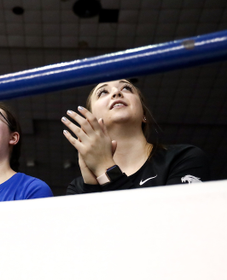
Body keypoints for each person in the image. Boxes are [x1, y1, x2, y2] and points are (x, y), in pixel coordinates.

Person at [61, 79, 210, 194]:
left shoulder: (183, 158)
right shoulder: (78, 187)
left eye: (126, 88)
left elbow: (170, 226)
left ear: (144, 114)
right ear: (91, 121)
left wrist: (104, 169)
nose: (116, 93)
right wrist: (91, 188)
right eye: (103, 92)